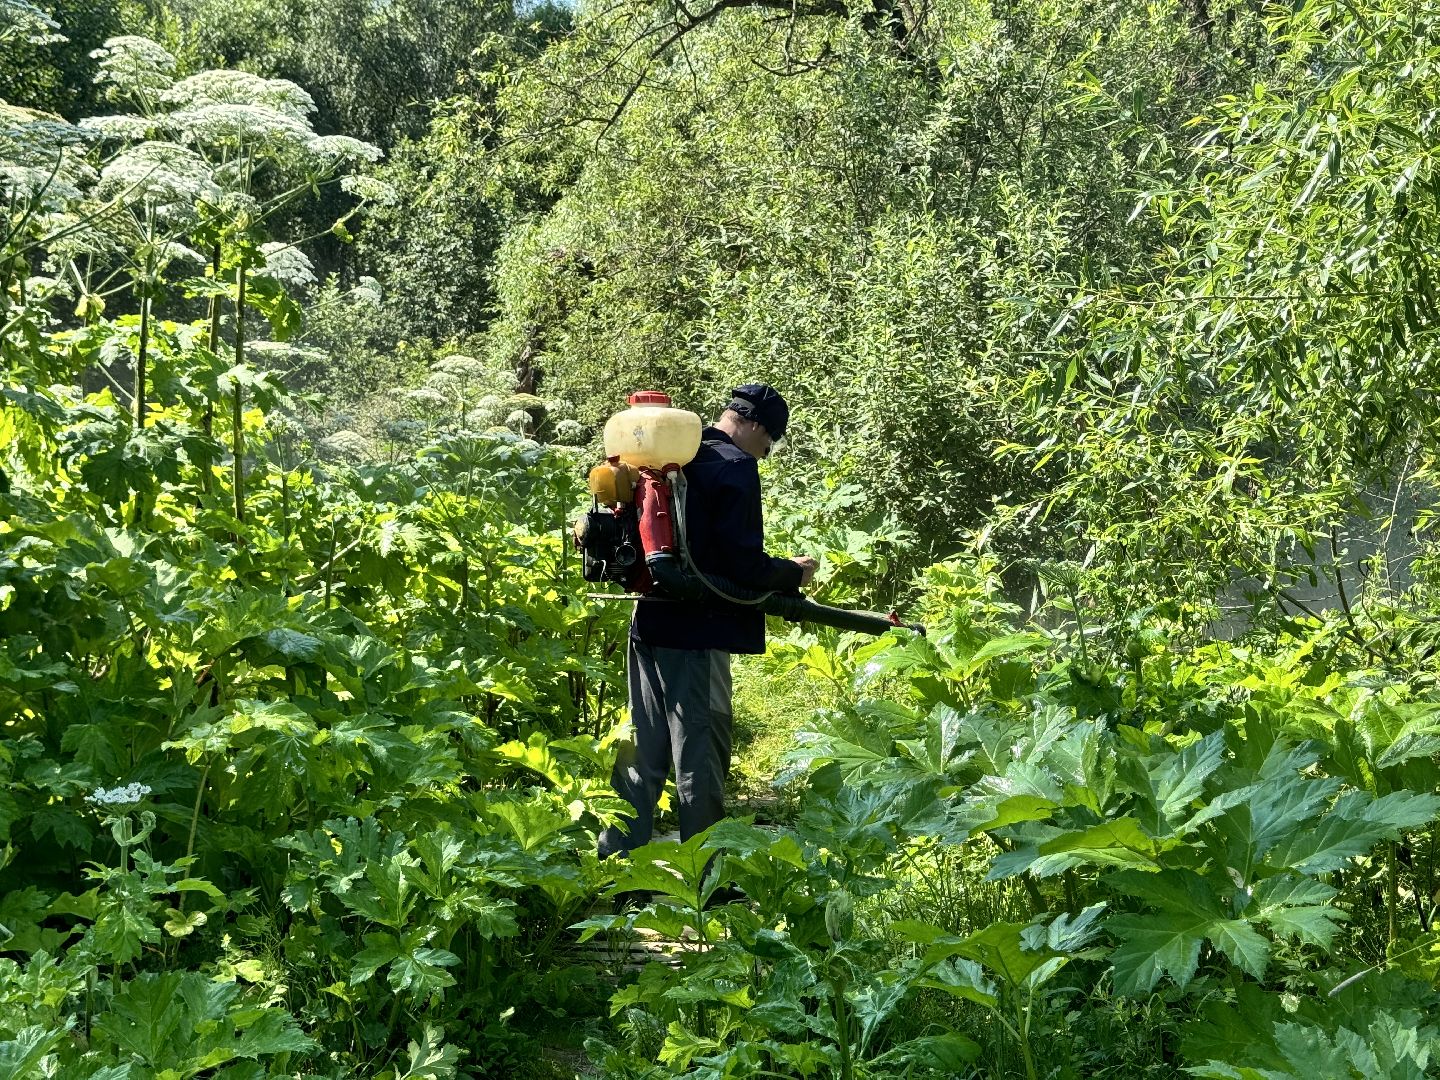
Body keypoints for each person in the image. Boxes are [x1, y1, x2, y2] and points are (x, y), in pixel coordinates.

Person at [597, 383, 817, 858]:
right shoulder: (734, 466)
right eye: (770, 438)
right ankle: (706, 874)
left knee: (644, 749)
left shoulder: (673, 454)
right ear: (754, 424)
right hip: (697, 631)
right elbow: (743, 566)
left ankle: (615, 866)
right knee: (700, 755)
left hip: (648, 619)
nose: (767, 449)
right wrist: (792, 572)